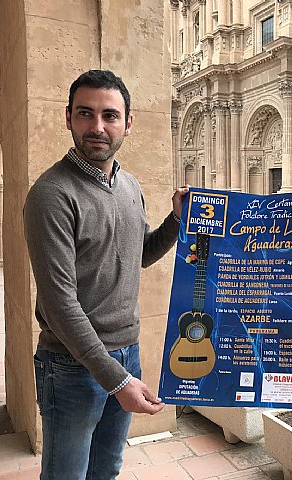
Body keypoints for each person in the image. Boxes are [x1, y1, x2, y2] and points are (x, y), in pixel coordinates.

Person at [24, 69, 188, 479]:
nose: (97, 126)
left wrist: (176, 221)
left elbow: (139, 255)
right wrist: (118, 381)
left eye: (110, 115)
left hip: (126, 353)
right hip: (71, 364)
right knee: (66, 475)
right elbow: (60, 305)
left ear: (127, 123)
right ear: (68, 117)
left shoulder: (129, 185)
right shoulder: (52, 195)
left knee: (106, 469)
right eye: (86, 113)